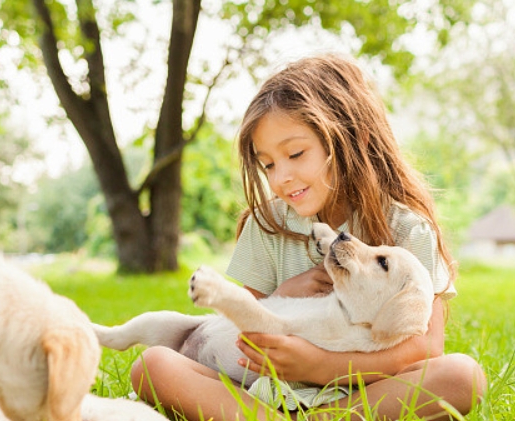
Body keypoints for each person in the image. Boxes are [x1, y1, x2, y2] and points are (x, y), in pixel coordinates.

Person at [129, 54, 487, 421]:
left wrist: (320, 366)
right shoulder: (266, 224)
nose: (280, 177)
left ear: (353, 138)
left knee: (461, 376)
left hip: (360, 395)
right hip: (260, 394)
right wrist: (281, 295)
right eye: (268, 164)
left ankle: (326, 419)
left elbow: (427, 346)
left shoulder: (408, 228)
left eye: (296, 153)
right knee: (152, 365)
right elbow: (235, 332)